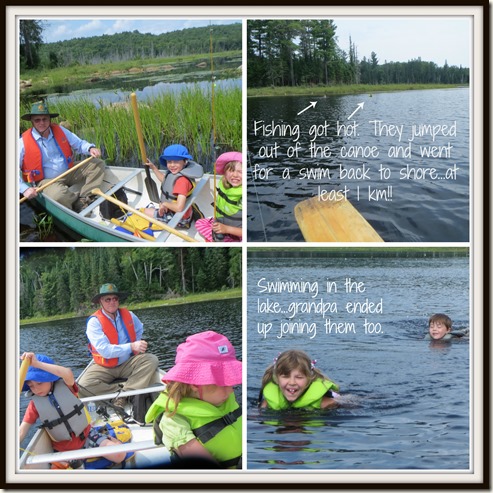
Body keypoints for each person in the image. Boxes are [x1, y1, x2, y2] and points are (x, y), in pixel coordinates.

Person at [145, 330, 242, 469]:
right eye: (223, 383)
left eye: (230, 381)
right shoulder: (174, 421)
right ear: (195, 384)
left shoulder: (222, 397)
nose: (231, 390)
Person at [19, 352, 127, 469]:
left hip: (88, 437)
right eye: (31, 386)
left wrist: (37, 364)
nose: (36, 388)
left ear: (51, 378)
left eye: (39, 383)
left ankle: (109, 440)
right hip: (64, 450)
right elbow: (22, 430)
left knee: (119, 455)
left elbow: (67, 373)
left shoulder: (67, 386)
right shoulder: (34, 404)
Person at [77, 283, 160, 404]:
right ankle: (123, 392)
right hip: (104, 366)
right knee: (82, 385)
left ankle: (125, 393)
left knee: (151, 360)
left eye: (115, 298)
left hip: (127, 362)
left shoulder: (130, 315)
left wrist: (136, 343)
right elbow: (105, 351)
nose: (112, 302)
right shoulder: (94, 322)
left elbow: (139, 328)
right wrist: (132, 346)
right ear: (101, 301)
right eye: (108, 299)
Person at [19, 101, 106, 212]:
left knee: (98, 164)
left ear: (49, 120)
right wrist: (24, 189)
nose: (41, 123)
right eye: (37, 120)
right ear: (32, 121)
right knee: (58, 195)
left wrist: (90, 148)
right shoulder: (22, 143)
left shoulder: (60, 130)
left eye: (45, 119)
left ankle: (84, 197)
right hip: (45, 180)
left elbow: (79, 144)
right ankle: (73, 200)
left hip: (68, 171)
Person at [143, 144, 203, 229]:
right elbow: (165, 181)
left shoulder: (182, 182)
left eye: (176, 162)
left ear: (185, 162)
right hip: (175, 210)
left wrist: (165, 204)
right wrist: (153, 168)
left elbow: (179, 208)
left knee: (143, 212)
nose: (172, 165)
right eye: (169, 162)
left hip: (179, 218)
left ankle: (184, 223)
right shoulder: (177, 173)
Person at [259, 349, 340, 410]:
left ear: (309, 379)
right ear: (276, 378)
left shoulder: (326, 403)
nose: (292, 382)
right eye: (286, 376)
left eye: (299, 377)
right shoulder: (267, 404)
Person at [196, 151, 242, 242]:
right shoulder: (225, 184)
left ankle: (228, 239)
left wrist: (227, 229)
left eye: (240, 172)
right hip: (223, 223)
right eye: (231, 171)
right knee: (199, 223)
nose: (235, 175)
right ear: (225, 173)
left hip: (239, 231)